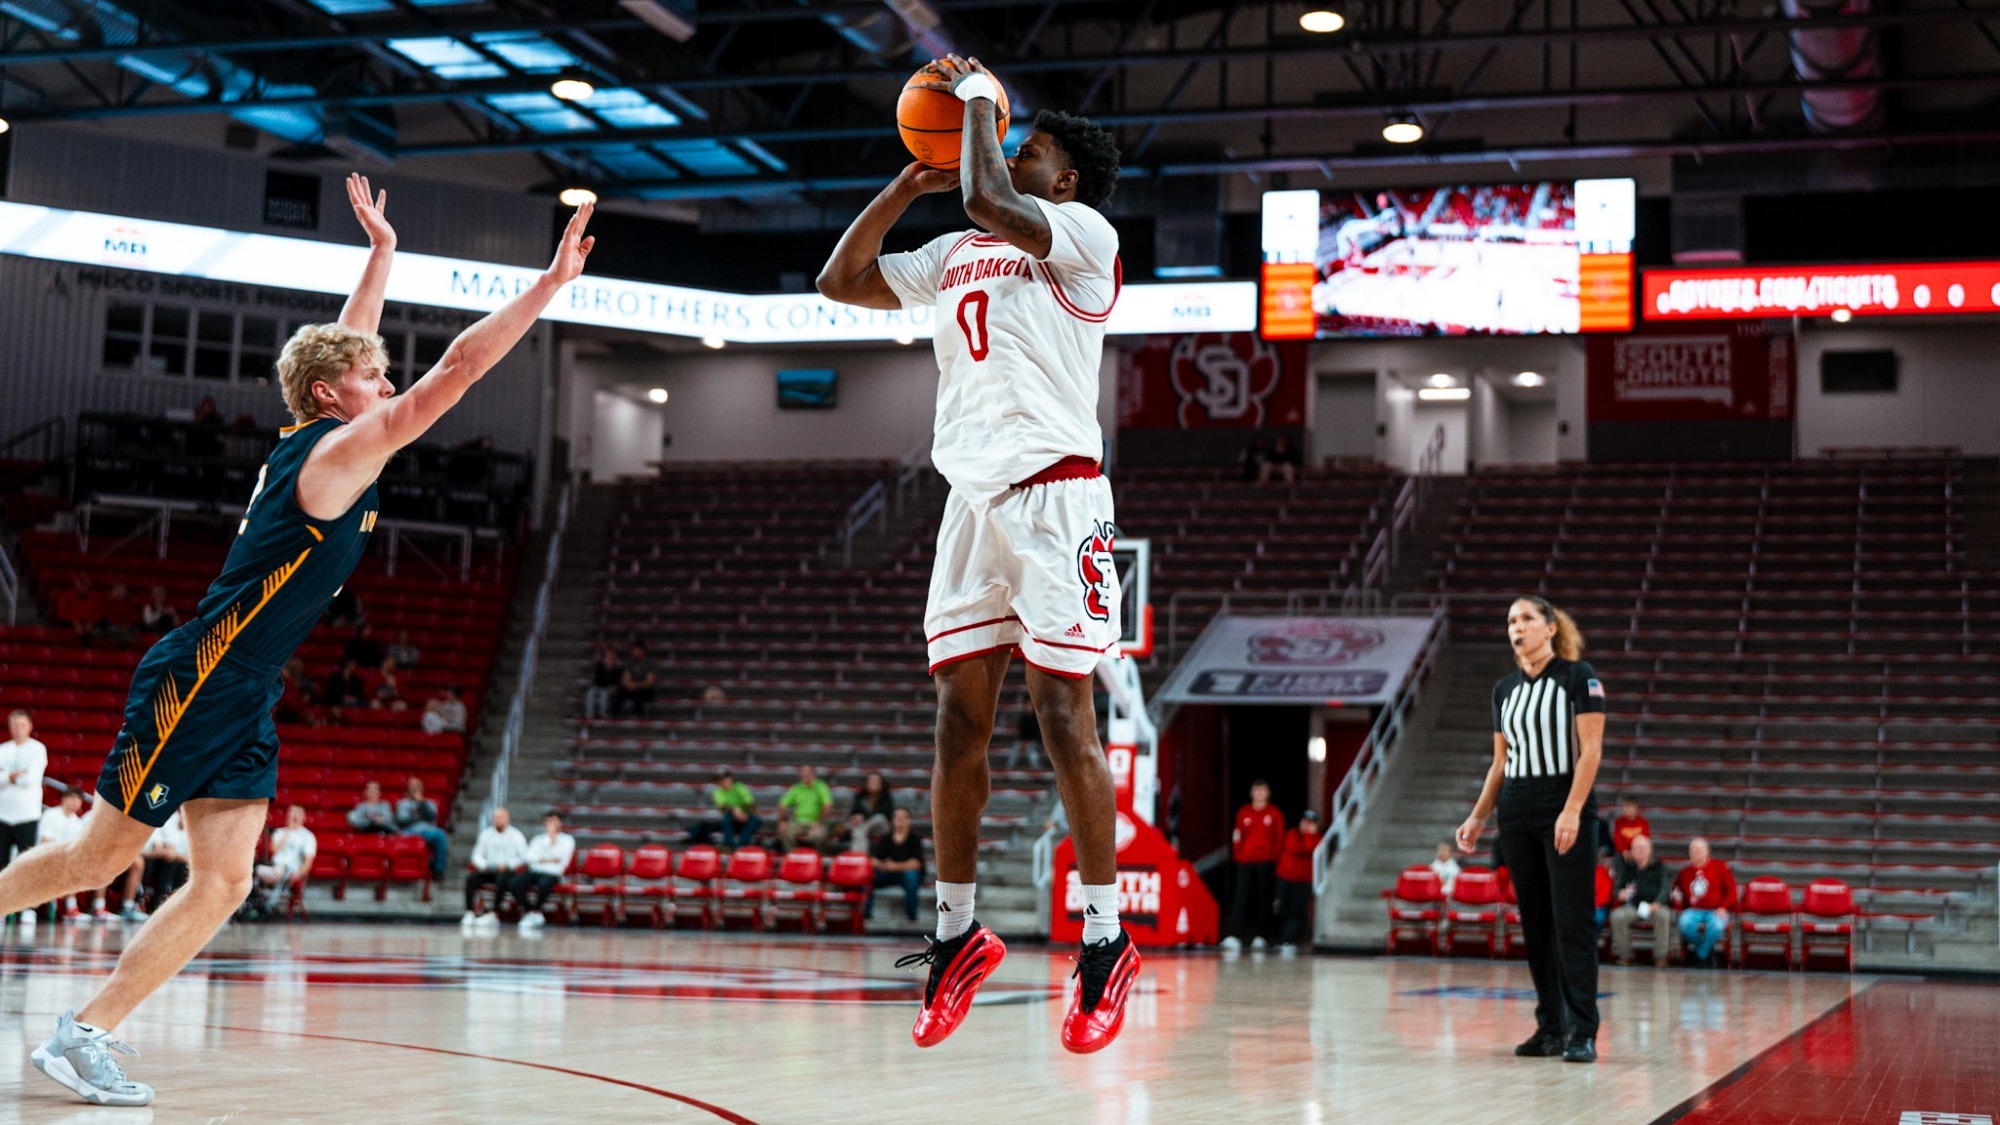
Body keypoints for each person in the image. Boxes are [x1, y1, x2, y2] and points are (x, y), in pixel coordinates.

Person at [0, 173, 591, 1109]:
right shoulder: (334, 451)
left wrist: (383, 256)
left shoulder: (310, 429)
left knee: (225, 881)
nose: (388, 381)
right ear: (331, 396)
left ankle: (85, 1033)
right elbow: (459, 372)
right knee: (97, 860)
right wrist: (549, 288)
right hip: (203, 672)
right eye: (372, 377)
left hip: (247, 689)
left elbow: (347, 346)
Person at [817, 60, 1138, 1053]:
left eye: (1025, 145)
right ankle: (955, 937)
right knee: (957, 724)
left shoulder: (1083, 237)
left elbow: (987, 192)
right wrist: (901, 188)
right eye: (1007, 136)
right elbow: (839, 281)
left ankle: (1103, 939)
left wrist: (970, 107)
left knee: (1061, 716)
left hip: (1058, 500)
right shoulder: (957, 243)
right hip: (972, 503)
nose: (1009, 149)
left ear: (1065, 178)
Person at [1455, 596, 1606, 1065]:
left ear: (1550, 628)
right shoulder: (1503, 690)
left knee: (1572, 923)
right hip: (1516, 810)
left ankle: (1582, 1031)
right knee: (1536, 925)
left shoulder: (1581, 678)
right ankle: (1550, 1027)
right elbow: (1500, 763)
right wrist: (1479, 816)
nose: (1516, 628)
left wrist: (1573, 810)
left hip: (1563, 803)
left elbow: (1591, 751)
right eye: (1510, 621)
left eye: (1525, 619)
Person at [1220, 780, 1285, 952]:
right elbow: (1237, 835)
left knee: (1263, 898)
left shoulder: (1274, 813)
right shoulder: (1244, 812)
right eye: (1256, 790)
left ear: (1268, 793)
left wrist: (1274, 858)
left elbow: (1278, 838)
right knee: (1241, 896)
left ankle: (1261, 936)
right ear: (1251, 792)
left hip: (1265, 861)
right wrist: (1238, 855)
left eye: (1263, 790)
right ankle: (1234, 935)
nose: (1259, 793)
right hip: (1245, 861)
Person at [1609, 835, 1674, 966]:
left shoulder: (1660, 867)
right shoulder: (1627, 868)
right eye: (1636, 848)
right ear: (1631, 851)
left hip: (1655, 905)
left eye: (1642, 848)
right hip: (1634, 906)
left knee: (1663, 916)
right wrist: (1619, 893)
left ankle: (1660, 957)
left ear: (1650, 850)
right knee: (1617, 916)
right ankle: (1625, 955)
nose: (1639, 851)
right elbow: (1617, 888)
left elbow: (1666, 888)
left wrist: (1658, 902)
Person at [1674, 837, 1738, 968]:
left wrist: (1723, 908)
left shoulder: (1720, 867)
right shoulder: (1684, 872)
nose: (1695, 853)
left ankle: (1700, 955)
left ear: (1707, 851)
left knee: (1717, 925)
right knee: (1684, 922)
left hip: (1716, 910)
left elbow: (1732, 893)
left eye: (1698, 850)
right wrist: (1676, 901)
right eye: (1692, 850)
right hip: (1693, 910)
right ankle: (1706, 951)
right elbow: (1676, 892)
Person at [462, 806, 529, 930]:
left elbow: (524, 857)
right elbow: (476, 855)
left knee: (502, 880)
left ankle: (494, 913)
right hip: (489, 869)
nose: (498, 820)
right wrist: (484, 865)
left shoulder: (516, 835)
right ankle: (470, 912)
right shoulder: (486, 834)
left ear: (508, 819)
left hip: (508, 871)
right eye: (496, 817)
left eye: (501, 817)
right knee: (471, 878)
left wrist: (509, 864)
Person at [29, 788, 87, 928]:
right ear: (63, 799)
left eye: (78, 799)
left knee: (78, 864)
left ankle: (71, 907)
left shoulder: (77, 822)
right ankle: (30, 909)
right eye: (72, 798)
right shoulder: (51, 815)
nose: (75, 802)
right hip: (44, 856)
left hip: (65, 858)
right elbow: (45, 842)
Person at [0, 710, 49, 879]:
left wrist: (6, 775)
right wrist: (14, 775)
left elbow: (32, 779)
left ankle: (25, 905)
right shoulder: (3, 749)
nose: (17, 728)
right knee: (1, 865)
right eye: (14, 724)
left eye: (21, 725)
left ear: (29, 727)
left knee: (25, 866)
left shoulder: (37, 749)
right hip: (2, 815)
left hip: (27, 816)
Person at [509, 811, 574, 930]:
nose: (551, 824)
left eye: (554, 821)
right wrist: (548, 859)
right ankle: (531, 912)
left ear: (560, 823)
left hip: (553, 873)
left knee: (544, 885)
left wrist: (552, 840)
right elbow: (529, 857)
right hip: (536, 871)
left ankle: (536, 910)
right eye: (548, 821)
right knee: (514, 883)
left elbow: (561, 857)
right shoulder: (538, 839)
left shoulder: (567, 840)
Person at [1274, 809, 1321, 954]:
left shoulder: (1318, 839)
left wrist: (1308, 835)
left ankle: (1287, 941)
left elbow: (1308, 849)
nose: (1306, 825)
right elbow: (1295, 848)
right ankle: (1283, 939)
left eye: (1310, 823)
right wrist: (1307, 836)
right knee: (1282, 909)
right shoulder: (1291, 834)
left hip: (1303, 881)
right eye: (1304, 821)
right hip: (1285, 877)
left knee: (1297, 912)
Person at [868, 807, 926, 922]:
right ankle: (865, 914)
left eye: (902, 817)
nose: (899, 819)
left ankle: (911, 915)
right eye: (896, 816)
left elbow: (916, 864)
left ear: (908, 820)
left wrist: (894, 866)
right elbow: (873, 860)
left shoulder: (914, 839)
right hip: (888, 873)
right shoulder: (886, 838)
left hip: (905, 875)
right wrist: (882, 865)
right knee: (869, 875)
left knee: (911, 876)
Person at [252, 805, 316, 894]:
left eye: (297, 812)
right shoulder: (279, 832)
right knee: (268, 870)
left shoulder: (308, 836)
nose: (294, 815)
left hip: (291, 870)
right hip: (274, 866)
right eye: (292, 812)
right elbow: (274, 850)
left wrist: (298, 874)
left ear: (303, 816)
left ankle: (258, 880)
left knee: (276, 871)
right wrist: (288, 831)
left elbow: (308, 862)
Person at [394, 776, 449, 878]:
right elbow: (402, 821)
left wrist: (421, 803)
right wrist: (420, 818)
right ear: (408, 788)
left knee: (441, 835)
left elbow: (432, 816)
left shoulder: (429, 803)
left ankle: (438, 870)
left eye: (418, 786)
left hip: (427, 832)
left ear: (422, 788)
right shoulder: (403, 804)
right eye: (413, 786)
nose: (415, 789)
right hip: (409, 832)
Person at [776, 764, 834, 852]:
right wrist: (782, 821)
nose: (804, 776)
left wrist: (819, 822)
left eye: (807, 773)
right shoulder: (797, 788)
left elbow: (828, 806)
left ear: (813, 774)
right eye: (802, 774)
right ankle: (792, 855)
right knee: (784, 831)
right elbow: (782, 805)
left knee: (817, 835)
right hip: (798, 821)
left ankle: (817, 856)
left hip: (816, 821)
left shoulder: (821, 786)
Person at [140, 811, 189, 911]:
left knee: (181, 865)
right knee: (172, 862)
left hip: (169, 858)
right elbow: (167, 850)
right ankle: (158, 900)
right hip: (155, 858)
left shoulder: (190, 829)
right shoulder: (167, 820)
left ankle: (176, 902)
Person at [705, 768, 760, 850]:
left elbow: (750, 802)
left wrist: (746, 815)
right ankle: (728, 844)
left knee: (755, 820)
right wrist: (735, 809)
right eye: (719, 780)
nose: (722, 782)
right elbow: (723, 806)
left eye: (724, 779)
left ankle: (741, 846)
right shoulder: (718, 792)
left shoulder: (739, 787)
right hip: (732, 820)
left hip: (745, 816)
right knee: (727, 817)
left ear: (730, 779)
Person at [847, 771, 895, 855]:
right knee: (857, 830)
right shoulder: (859, 796)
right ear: (866, 783)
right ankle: (860, 858)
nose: (873, 783)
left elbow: (884, 813)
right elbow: (853, 812)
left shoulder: (886, 797)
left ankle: (858, 858)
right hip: (864, 826)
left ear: (882, 784)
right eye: (871, 781)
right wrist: (854, 818)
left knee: (878, 818)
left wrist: (863, 817)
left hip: (881, 827)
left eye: (876, 781)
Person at [613, 643, 657, 718]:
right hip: (632, 688)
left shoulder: (650, 663)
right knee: (621, 690)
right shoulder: (630, 662)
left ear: (642, 651)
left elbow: (649, 682)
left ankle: (638, 714)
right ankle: (614, 713)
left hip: (645, 689)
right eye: (633, 650)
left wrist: (636, 685)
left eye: (637, 650)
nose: (635, 652)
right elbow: (626, 677)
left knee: (639, 692)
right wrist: (629, 684)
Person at [582, 645, 622, 720]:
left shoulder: (617, 666)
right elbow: (598, 678)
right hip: (598, 685)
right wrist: (606, 669)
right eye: (608, 654)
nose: (609, 656)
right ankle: (589, 715)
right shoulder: (600, 664)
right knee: (590, 693)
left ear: (614, 655)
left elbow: (616, 680)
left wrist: (610, 669)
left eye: (611, 654)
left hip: (609, 687)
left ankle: (602, 714)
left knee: (604, 694)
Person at [1006, 696, 1042, 771]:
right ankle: (1008, 770)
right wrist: (1023, 742)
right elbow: (1021, 732)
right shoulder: (1023, 718)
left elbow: (1038, 734)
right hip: (1023, 741)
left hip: (1035, 741)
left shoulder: (1037, 718)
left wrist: (1027, 742)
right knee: (1016, 747)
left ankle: (1037, 771)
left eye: (1030, 704)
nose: (1028, 707)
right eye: (1027, 705)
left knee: (1030, 751)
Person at [1611, 797, 1651, 865]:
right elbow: (1617, 839)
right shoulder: (1618, 822)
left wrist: (1634, 852)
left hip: (1639, 852)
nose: (1626, 809)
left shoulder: (1643, 823)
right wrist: (1623, 851)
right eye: (1624, 807)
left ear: (1635, 808)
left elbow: (1645, 839)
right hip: (1622, 854)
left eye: (1629, 807)